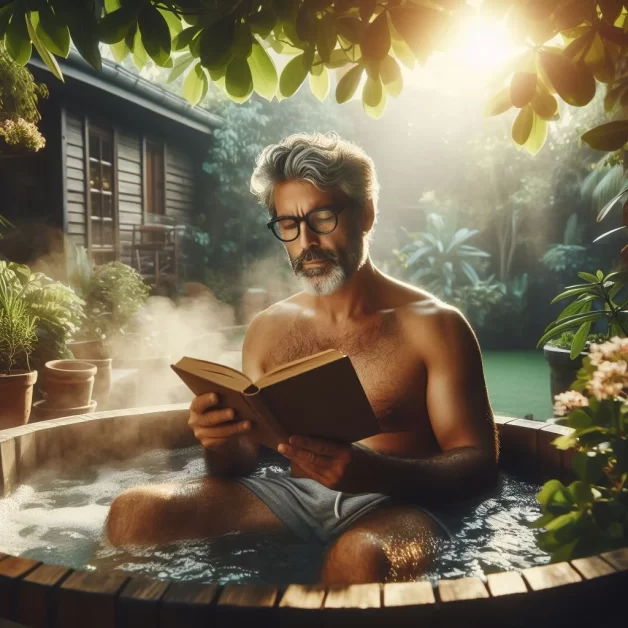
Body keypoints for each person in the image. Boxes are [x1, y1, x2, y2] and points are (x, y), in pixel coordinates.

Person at [106, 132, 499, 584]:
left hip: (400, 503)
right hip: (292, 494)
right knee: (132, 513)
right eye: (288, 225)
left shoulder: (434, 326)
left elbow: (479, 466)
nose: (306, 241)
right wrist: (220, 441)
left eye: (323, 217)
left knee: (359, 558)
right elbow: (240, 466)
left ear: (367, 214)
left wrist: (377, 471)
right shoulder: (268, 330)